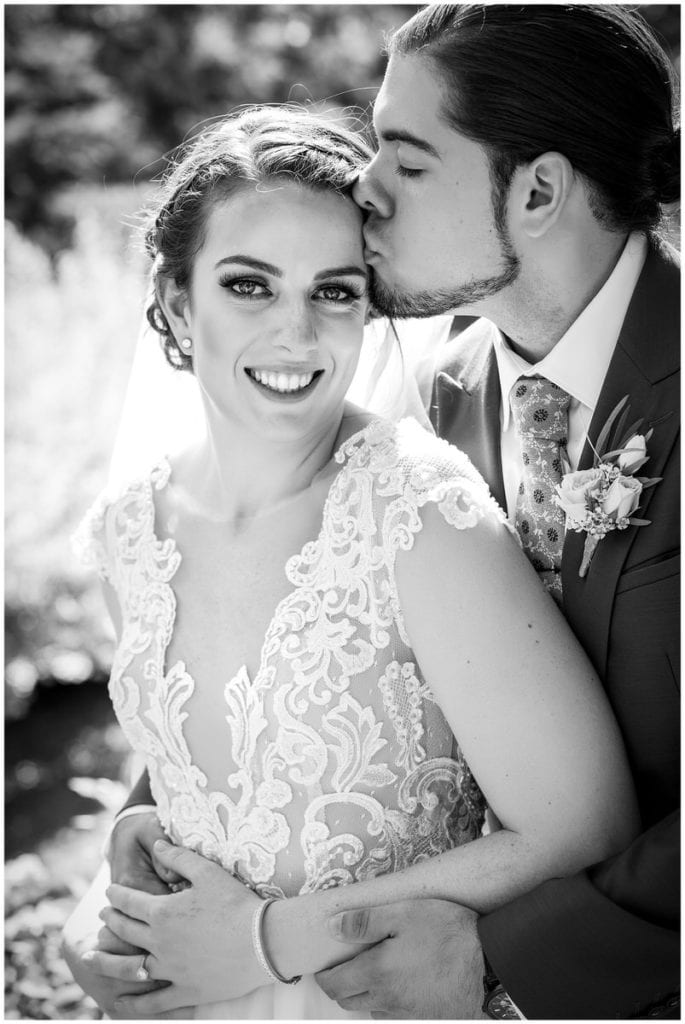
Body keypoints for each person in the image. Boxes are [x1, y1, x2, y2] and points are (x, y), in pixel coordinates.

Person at [63, 104, 639, 1019]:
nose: (296, 334)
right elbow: (197, 779)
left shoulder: (417, 513)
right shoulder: (127, 531)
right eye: (249, 285)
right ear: (177, 300)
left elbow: (583, 826)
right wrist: (110, 914)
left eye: (334, 291)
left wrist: (265, 944)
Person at [312, 4, 680, 1019]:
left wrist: (504, 955)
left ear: (539, 190)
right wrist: (156, 799)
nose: (362, 187)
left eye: (408, 159)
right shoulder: (425, 397)